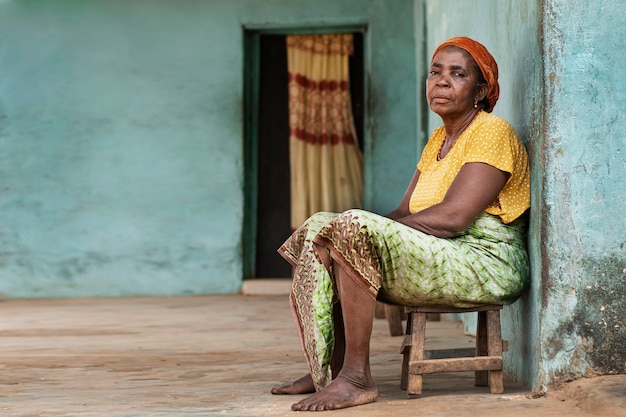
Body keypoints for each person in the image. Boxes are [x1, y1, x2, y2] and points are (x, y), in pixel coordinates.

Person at [271, 36, 530, 412]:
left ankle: (357, 378)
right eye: (435, 72)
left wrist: (358, 229)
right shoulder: (439, 139)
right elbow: (402, 211)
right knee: (321, 226)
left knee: (351, 227)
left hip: (484, 263)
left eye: (457, 74)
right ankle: (327, 367)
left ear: (481, 90)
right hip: (440, 252)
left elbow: (455, 217)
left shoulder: (492, 132)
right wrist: (341, 229)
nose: (441, 81)